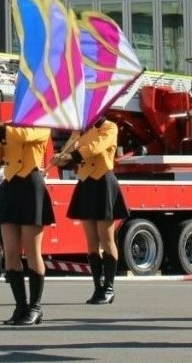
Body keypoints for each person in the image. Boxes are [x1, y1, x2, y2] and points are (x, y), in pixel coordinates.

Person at [0, 118, 53, 326]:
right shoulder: (10, 126)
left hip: (31, 185)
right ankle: (20, 306)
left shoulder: (41, 124)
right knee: (10, 253)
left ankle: (35, 307)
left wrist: (0, 127)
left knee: (32, 252)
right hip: (10, 186)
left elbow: (26, 136)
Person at [58, 116, 128, 305]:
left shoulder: (110, 127)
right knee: (91, 241)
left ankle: (109, 287)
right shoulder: (80, 129)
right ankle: (98, 286)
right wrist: (60, 158)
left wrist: (72, 155)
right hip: (86, 182)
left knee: (106, 238)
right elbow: (68, 150)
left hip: (103, 181)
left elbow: (96, 147)